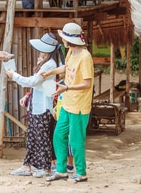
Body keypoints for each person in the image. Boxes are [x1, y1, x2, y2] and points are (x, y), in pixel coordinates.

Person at [41, 22, 93, 183]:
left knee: (76, 141)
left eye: (63, 37)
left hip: (79, 106)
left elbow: (87, 83)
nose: (62, 40)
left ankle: (82, 173)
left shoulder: (85, 57)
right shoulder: (71, 52)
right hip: (67, 103)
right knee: (58, 136)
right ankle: (62, 170)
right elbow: (66, 68)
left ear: (70, 40)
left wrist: (66, 87)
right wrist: (50, 72)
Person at [6, 33, 60, 178]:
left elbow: (32, 82)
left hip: (43, 107)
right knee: (33, 137)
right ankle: (27, 166)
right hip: (37, 106)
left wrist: (14, 76)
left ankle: (46, 167)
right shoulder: (48, 63)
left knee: (42, 137)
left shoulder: (49, 65)